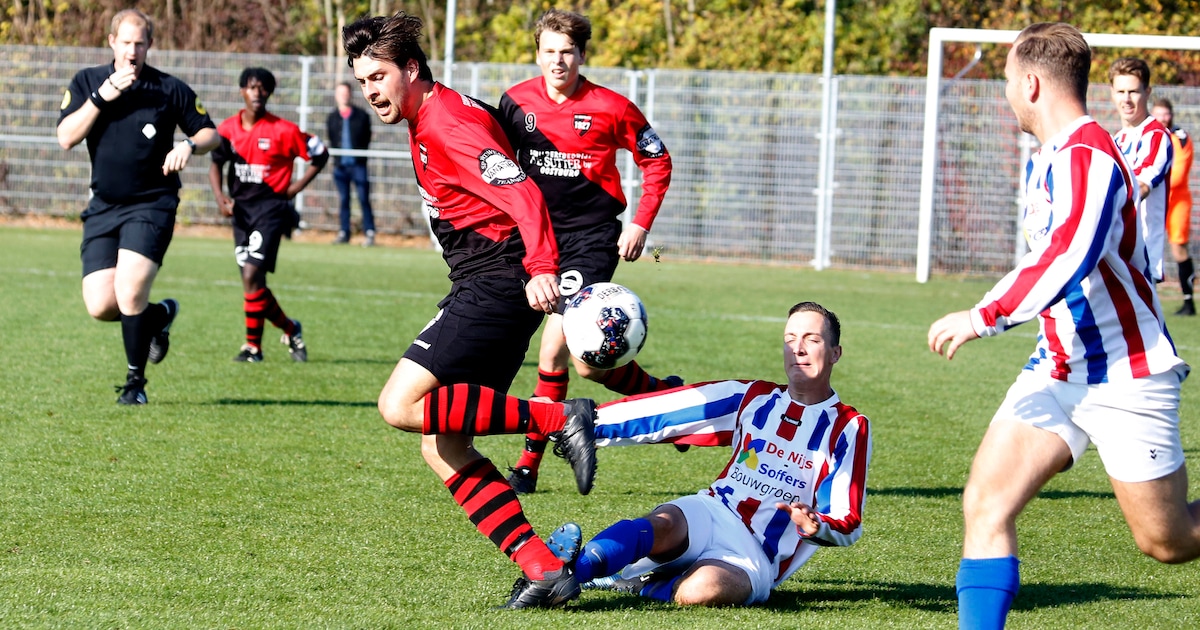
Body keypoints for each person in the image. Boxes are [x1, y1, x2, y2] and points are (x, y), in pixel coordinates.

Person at [928, 23, 1200, 630]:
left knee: (1169, 540)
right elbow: (1046, 260)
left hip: (1125, 374)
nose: (1006, 96)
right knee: (987, 504)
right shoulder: (1050, 159)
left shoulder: (1089, 155)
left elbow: (1069, 253)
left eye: (1005, 83)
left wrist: (983, 316)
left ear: (1029, 83)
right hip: (1055, 369)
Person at [342, 11, 600, 610]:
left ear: (410, 69)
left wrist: (540, 268)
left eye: (378, 77)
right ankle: (542, 569)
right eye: (361, 83)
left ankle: (556, 419)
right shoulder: (431, 113)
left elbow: (522, 192)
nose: (371, 91)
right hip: (487, 279)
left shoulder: (446, 121)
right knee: (445, 446)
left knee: (398, 405)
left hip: (497, 282)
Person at [545, 302, 870, 606]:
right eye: (790, 339)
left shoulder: (848, 427)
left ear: (835, 352)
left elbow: (847, 519)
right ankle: (561, 575)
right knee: (663, 522)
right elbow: (674, 410)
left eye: (811, 339)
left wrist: (817, 526)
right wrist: (588, 423)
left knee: (704, 590)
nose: (797, 349)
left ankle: (638, 584)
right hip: (713, 511)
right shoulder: (754, 397)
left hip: (755, 555)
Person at [497, 8, 678, 495]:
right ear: (537, 53)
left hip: (592, 238)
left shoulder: (611, 106)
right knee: (588, 366)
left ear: (582, 55)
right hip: (536, 239)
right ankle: (665, 397)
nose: (558, 61)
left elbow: (657, 161)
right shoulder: (514, 103)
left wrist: (640, 223)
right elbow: (496, 167)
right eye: (550, 51)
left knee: (554, 348)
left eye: (568, 52)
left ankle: (527, 467)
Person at [56, 8, 218, 405]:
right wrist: (101, 96)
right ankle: (159, 316)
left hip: (152, 203)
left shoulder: (167, 88)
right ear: (112, 42)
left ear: (150, 45)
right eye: (125, 42)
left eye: (140, 43)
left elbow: (211, 133)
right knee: (101, 305)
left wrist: (189, 144)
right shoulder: (87, 82)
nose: (132, 50)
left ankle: (135, 385)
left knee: (129, 293)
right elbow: (65, 137)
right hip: (103, 207)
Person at [208, 67, 329, 363]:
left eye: (263, 88)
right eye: (251, 87)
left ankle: (252, 348)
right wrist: (220, 198)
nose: (257, 92)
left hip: (270, 210)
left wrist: (295, 188)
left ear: (270, 93)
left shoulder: (284, 131)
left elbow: (320, 153)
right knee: (253, 283)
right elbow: (215, 162)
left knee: (251, 275)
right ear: (242, 92)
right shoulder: (227, 130)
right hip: (241, 212)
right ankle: (289, 329)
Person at [1110, 57, 1174, 283]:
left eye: (1133, 92)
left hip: (1141, 261)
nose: (1126, 99)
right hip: (1116, 255)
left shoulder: (1155, 136)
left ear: (1147, 92)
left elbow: (1141, 186)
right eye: (1120, 92)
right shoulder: (1117, 139)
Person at [1152, 97, 1195, 315]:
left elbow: (1178, 173)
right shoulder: (1148, 136)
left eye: (1165, 114)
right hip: (1153, 200)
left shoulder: (1180, 137)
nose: (1162, 118)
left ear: (1171, 115)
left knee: (1178, 247)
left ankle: (1188, 301)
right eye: (1158, 114)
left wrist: (1150, 182)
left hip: (1176, 201)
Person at [326, 81, 377, 246]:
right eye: (340, 93)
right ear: (336, 96)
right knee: (343, 199)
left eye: (346, 93)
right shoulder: (332, 117)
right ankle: (344, 232)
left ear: (350, 94)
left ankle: (369, 232)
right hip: (340, 166)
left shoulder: (362, 115)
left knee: (363, 198)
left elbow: (367, 137)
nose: (343, 96)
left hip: (358, 166)